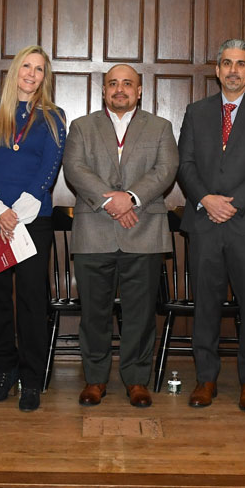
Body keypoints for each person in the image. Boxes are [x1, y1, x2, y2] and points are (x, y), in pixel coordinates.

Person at [177, 38, 245, 412]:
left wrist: (233, 204)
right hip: (204, 222)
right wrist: (206, 199)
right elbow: (185, 164)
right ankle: (205, 379)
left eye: (240, 64)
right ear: (217, 69)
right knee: (205, 306)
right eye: (227, 63)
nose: (233, 70)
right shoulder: (197, 111)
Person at [62, 64, 179, 408]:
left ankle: (136, 380)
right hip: (93, 231)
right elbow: (74, 168)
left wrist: (131, 198)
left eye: (127, 84)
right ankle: (95, 379)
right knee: (93, 314)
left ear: (139, 91)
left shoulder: (160, 127)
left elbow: (166, 169)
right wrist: (111, 202)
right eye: (113, 83)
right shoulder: (82, 126)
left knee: (140, 314)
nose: (120, 89)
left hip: (144, 230)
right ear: (103, 90)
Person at [0, 45, 66, 412]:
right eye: (26, 66)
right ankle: (4, 371)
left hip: (32, 221)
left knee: (31, 298)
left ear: (45, 77)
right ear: (15, 70)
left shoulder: (54, 117)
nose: (31, 74)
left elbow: (49, 169)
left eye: (39, 69)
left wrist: (18, 212)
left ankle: (31, 379)